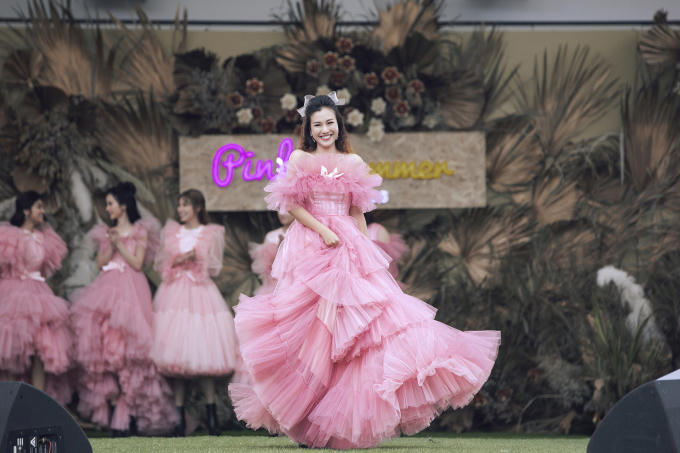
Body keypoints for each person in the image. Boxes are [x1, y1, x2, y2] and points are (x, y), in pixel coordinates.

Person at [228, 93, 501, 449]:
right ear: (308, 129)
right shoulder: (300, 158)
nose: (324, 130)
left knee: (356, 333)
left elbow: (357, 211)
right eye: (317, 124)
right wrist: (323, 230)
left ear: (339, 125)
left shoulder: (353, 161)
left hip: (347, 245)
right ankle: (304, 419)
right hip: (312, 245)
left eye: (330, 122)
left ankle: (335, 423)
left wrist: (364, 251)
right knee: (312, 331)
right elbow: (292, 205)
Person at [70, 182, 176, 435]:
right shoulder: (108, 231)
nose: (107, 209)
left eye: (110, 204)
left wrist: (119, 244)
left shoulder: (140, 231)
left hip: (131, 287)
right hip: (108, 287)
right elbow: (100, 262)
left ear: (123, 205)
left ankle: (134, 413)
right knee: (110, 348)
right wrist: (111, 243)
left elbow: (138, 263)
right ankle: (115, 412)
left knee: (132, 349)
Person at [151, 188, 239, 436]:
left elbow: (214, 267)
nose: (181, 209)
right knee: (176, 358)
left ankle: (212, 418)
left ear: (198, 207)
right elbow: (163, 266)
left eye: (186, 205)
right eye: (179, 205)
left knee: (205, 355)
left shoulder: (210, 232)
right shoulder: (172, 232)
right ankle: (179, 419)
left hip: (201, 294)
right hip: (174, 295)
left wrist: (197, 257)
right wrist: (180, 260)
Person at [0, 191, 72, 405]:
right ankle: (10, 403)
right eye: (38, 206)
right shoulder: (10, 235)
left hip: (39, 292)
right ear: (26, 210)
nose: (42, 211)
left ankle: (38, 403)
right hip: (13, 292)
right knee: (13, 348)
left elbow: (45, 268)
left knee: (42, 346)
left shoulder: (45, 238)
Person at [249, 212, 294, 295]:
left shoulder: (304, 235)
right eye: (279, 209)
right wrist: (278, 251)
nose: (281, 213)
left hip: (295, 285)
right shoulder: (271, 236)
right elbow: (265, 269)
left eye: (286, 209)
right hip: (274, 286)